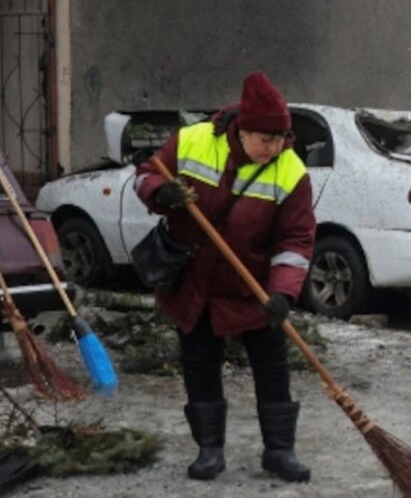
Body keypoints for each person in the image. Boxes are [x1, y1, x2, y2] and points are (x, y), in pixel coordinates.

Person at [135, 71, 315, 483]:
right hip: (194, 283)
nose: (274, 148)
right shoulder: (193, 140)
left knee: (272, 366)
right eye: (265, 139)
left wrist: (283, 292)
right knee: (200, 363)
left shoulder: (291, 171)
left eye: (281, 139)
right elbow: (146, 173)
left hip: (252, 286)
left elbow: (296, 238)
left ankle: (279, 451)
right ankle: (209, 451)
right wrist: (161, 193)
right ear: (243, 129)